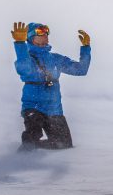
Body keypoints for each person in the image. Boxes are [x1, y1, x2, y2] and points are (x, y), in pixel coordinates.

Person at [11, 22, 91, 150]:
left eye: (46, 31)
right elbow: (24, 69)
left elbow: (81, 70)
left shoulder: (55, 59)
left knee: (64, 145)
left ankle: (39, 152)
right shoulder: (27, 58)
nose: (45, 34)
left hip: (54, 110)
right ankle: (22, 159)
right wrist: (20, 44)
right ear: (31, 37)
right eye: (40, 31)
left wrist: (86, 47)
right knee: (32, 136)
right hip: (33, 107)